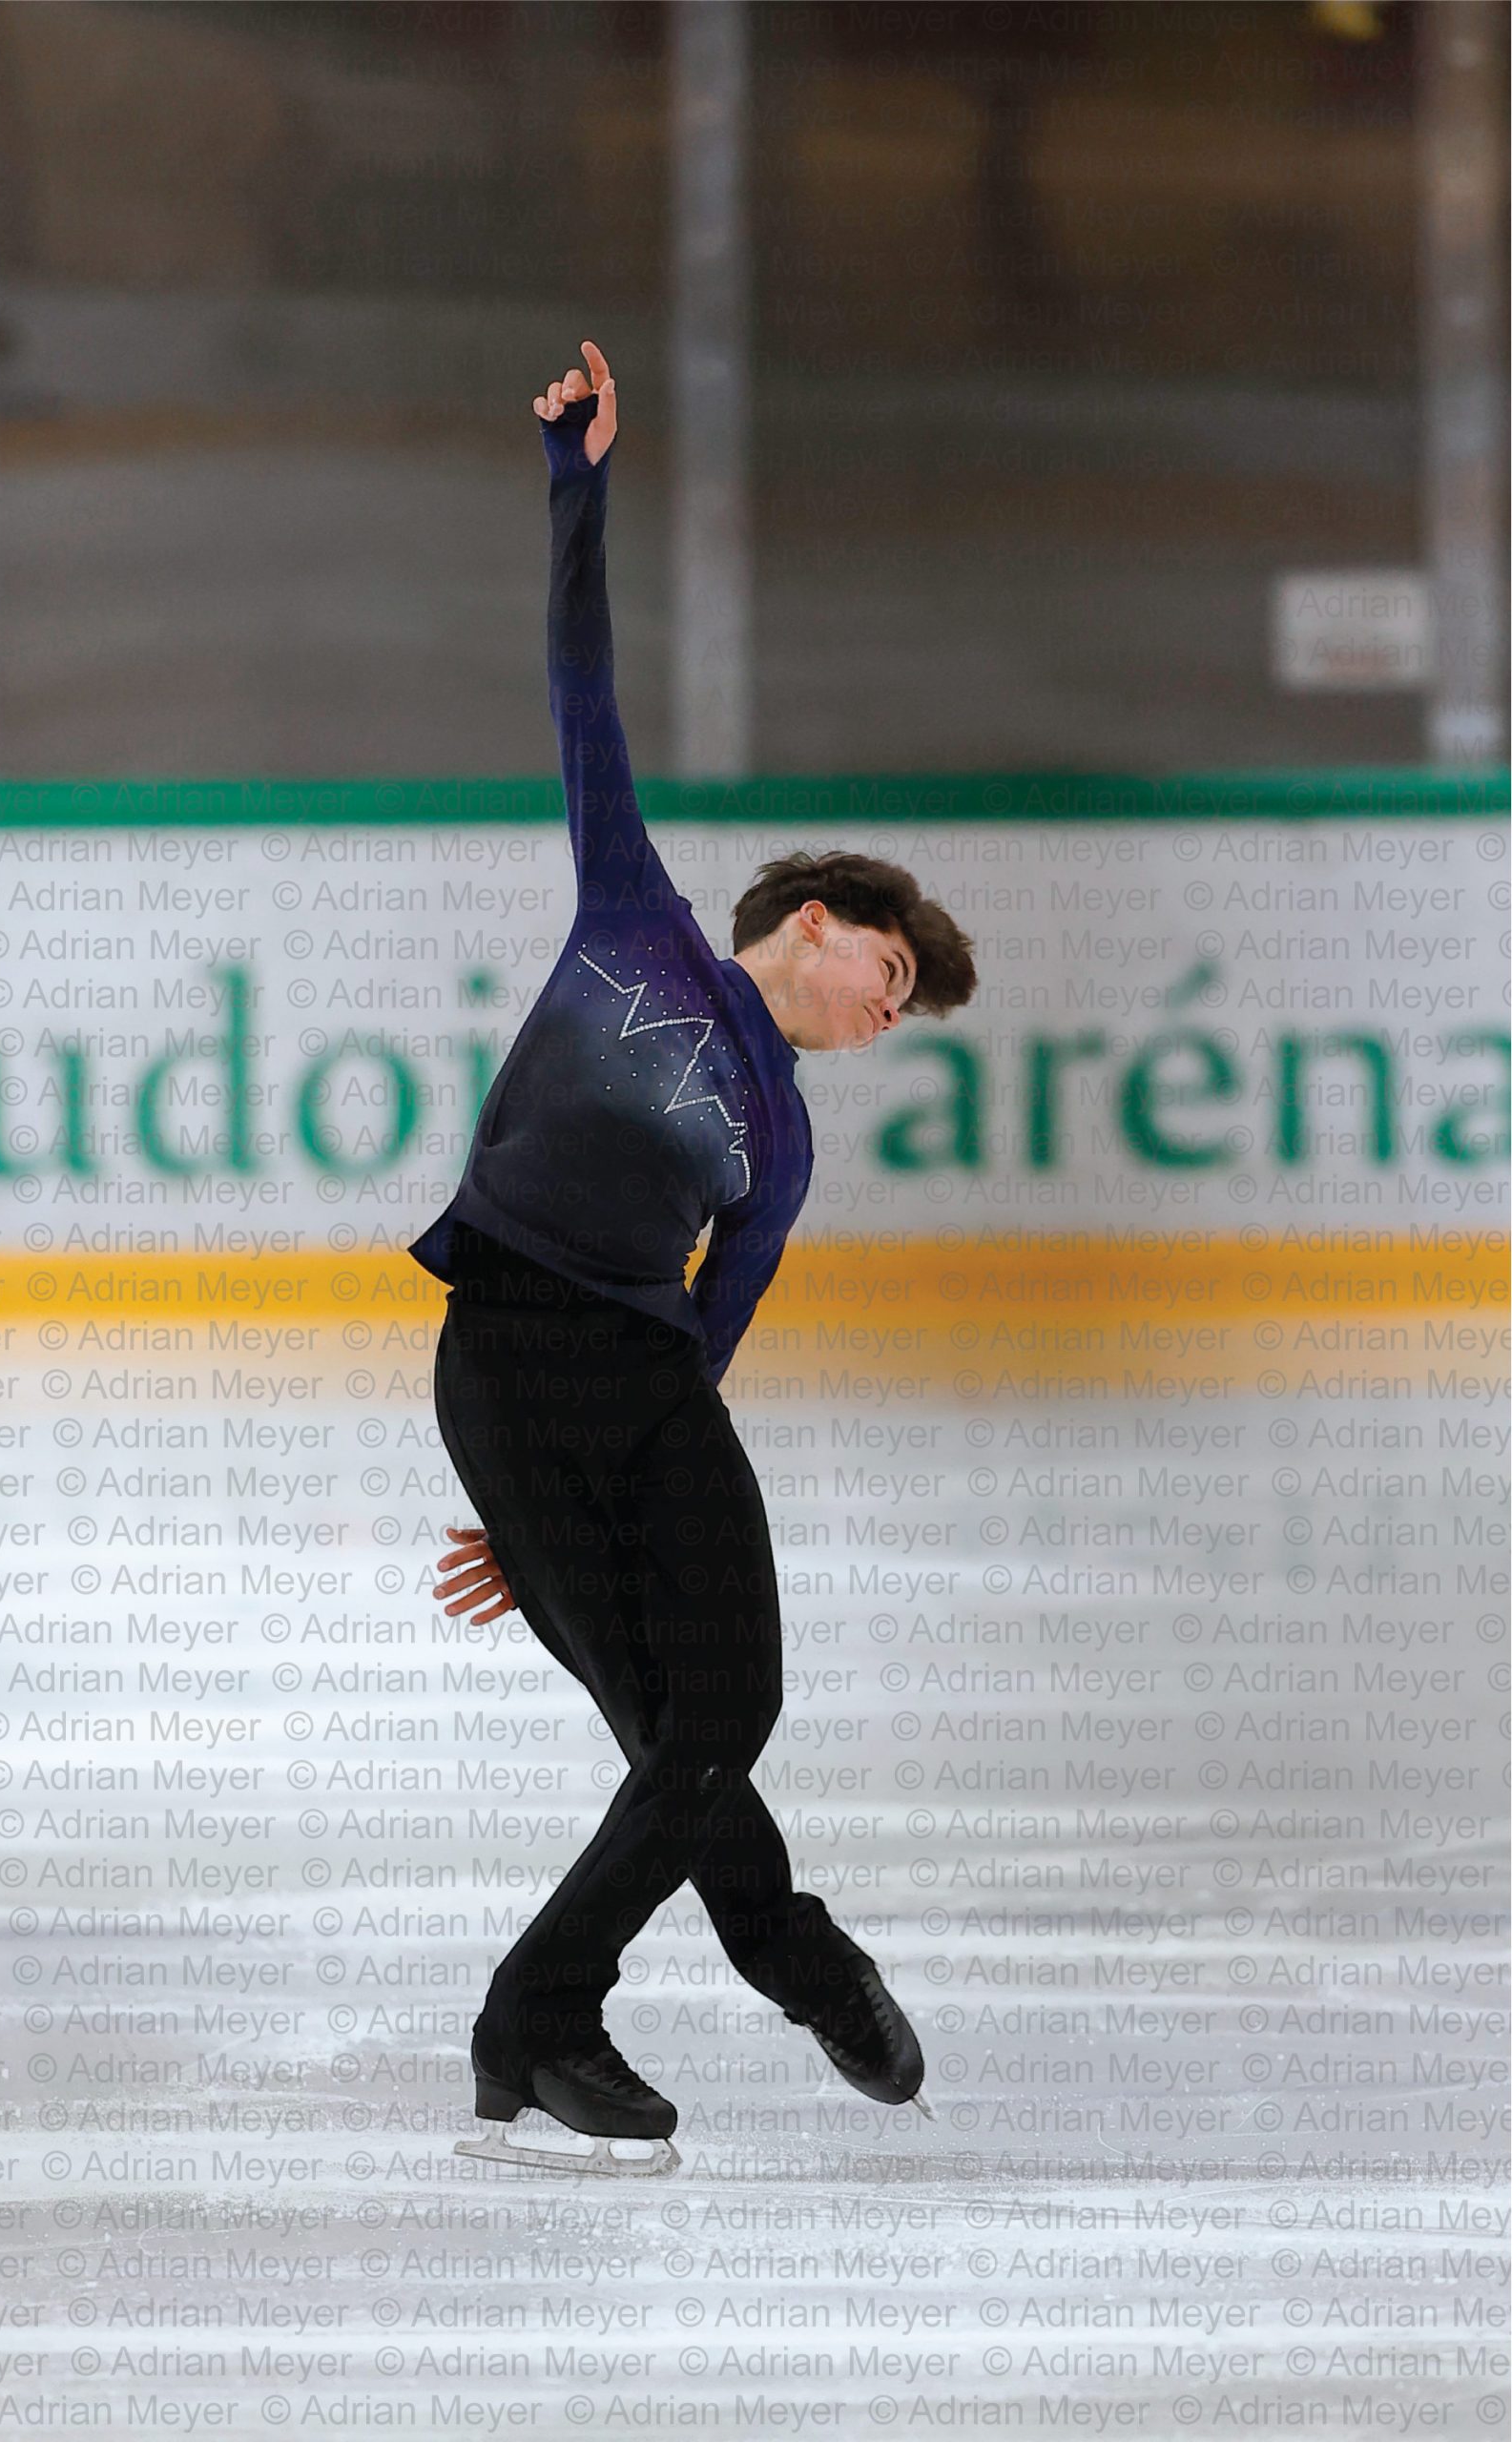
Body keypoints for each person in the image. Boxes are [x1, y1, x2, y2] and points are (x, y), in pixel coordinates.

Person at [412, 341, 979, 2175]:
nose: (883, 1017)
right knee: (672, 1727)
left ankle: (560, 2011)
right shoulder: (635, 916)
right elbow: (580, 682)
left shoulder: (790, 1140)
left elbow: (715, 1320)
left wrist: (607, 1482)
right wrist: (578, 487)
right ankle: (756, 1973)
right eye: (886, 978)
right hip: (506, 1359)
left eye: (901, 1011)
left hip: (647, 1400)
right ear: (811, 927)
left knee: (721, 1713)